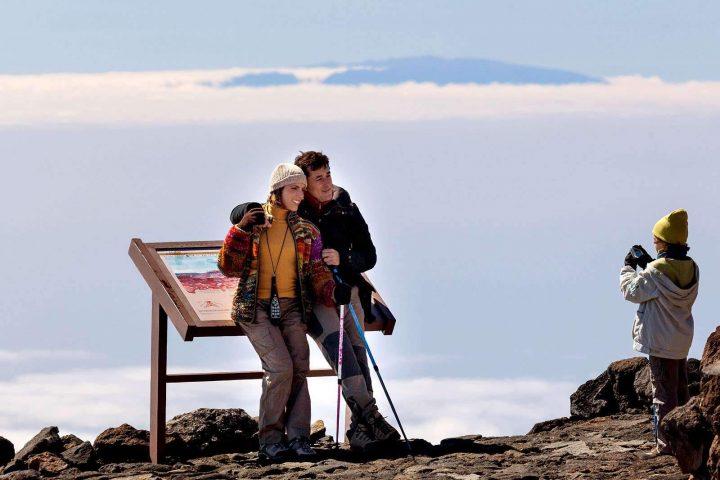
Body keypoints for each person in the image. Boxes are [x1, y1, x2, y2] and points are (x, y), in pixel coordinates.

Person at [230, 151, 401, 452]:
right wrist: (243, 218)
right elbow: (247, 217)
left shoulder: (344, 208)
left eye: (328, 175)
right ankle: (370, 418)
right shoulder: (294, 212)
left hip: (346, 292)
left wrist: (344, 259)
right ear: (303, 184)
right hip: (312, 302)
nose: (325, 183)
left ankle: (363, 428)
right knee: (340, 356)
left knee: (357, 357)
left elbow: (369, 255)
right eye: (317, 178)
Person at [218, 163, 336, 461]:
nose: (300, 193)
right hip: (254, 308)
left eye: (301, 188)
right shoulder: (254, 224)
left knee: (299, 369)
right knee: (280, 368)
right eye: (293, 188)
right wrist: (240, 229)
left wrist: (333, 291)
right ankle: (270, 441)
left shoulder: (306, 231)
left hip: (293, 308)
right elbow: (228, 267)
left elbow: (317, 272)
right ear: (277, 191)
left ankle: (298, 440)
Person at [620, 208, 699, 456]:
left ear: (664, 242)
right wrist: (651, 264)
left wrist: (628, 268)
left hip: (660, 342)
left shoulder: (654, 272)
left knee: (663, 394)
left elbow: (632, 292)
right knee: (681, 390)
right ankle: (689, 439)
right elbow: (667, 278)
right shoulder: (693, 268)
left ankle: (665, 445)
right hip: (681, 338)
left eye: (656, 240)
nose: (654, 243)